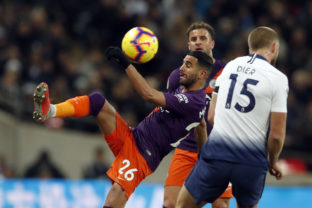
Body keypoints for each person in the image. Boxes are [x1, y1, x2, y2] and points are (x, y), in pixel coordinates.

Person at [33, 48, 213, 208]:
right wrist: (203, 155)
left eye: (188, 65)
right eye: (183, 63)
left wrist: (125, 63)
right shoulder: (181, 84)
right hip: (132, 137)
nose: (182, 68)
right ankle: (50, 110)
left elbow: (148, 94)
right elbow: (201, 124)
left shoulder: (194, 102)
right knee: (97, 102)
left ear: (202, 74)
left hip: (143, 155)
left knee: (115, 197)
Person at [175, 26, 289, 208]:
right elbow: (276, 135)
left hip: (217, 155)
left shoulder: (230, 67)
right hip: (250, 162)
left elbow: (211, 116)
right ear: (274, 47)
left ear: (250, 47)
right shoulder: (278, 78)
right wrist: (273, 161)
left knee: (182, 205)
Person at [163, 22, 232, 208]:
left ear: (212, 44)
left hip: (219, 149)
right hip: (187, 148)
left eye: (203, 38)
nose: (198, 42)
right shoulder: (177, 77)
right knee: (170, 203)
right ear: (189, 46)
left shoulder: (228, 73)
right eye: (194, 39)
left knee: (220, 205)